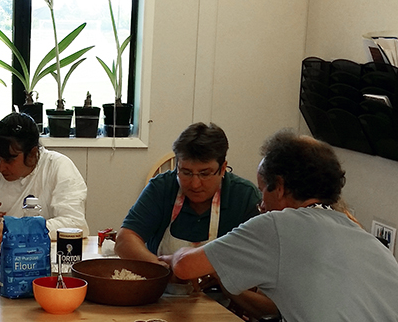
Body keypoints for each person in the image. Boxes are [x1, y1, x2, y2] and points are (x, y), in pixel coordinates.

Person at [167, 129, 398, 321]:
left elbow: (185, 267)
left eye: (262, 190)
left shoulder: (277, 225)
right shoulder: (365, 237)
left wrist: (176, 256)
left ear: (279, 186)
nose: (262, 204)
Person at [115, 122, 262, 265]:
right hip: (163, 286)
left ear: (223, 168)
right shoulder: (162, 188)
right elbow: (124, 240)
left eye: (205, 174)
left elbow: (261, 256)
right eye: (186, 173)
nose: (195, 184)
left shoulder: (245, 197)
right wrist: (163, 269)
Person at [0, 112, 90, 244]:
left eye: (9, 160)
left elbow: (75, 224)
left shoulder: (59, 167)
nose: (0, 167)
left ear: (32, 154)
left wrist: (15, 230)